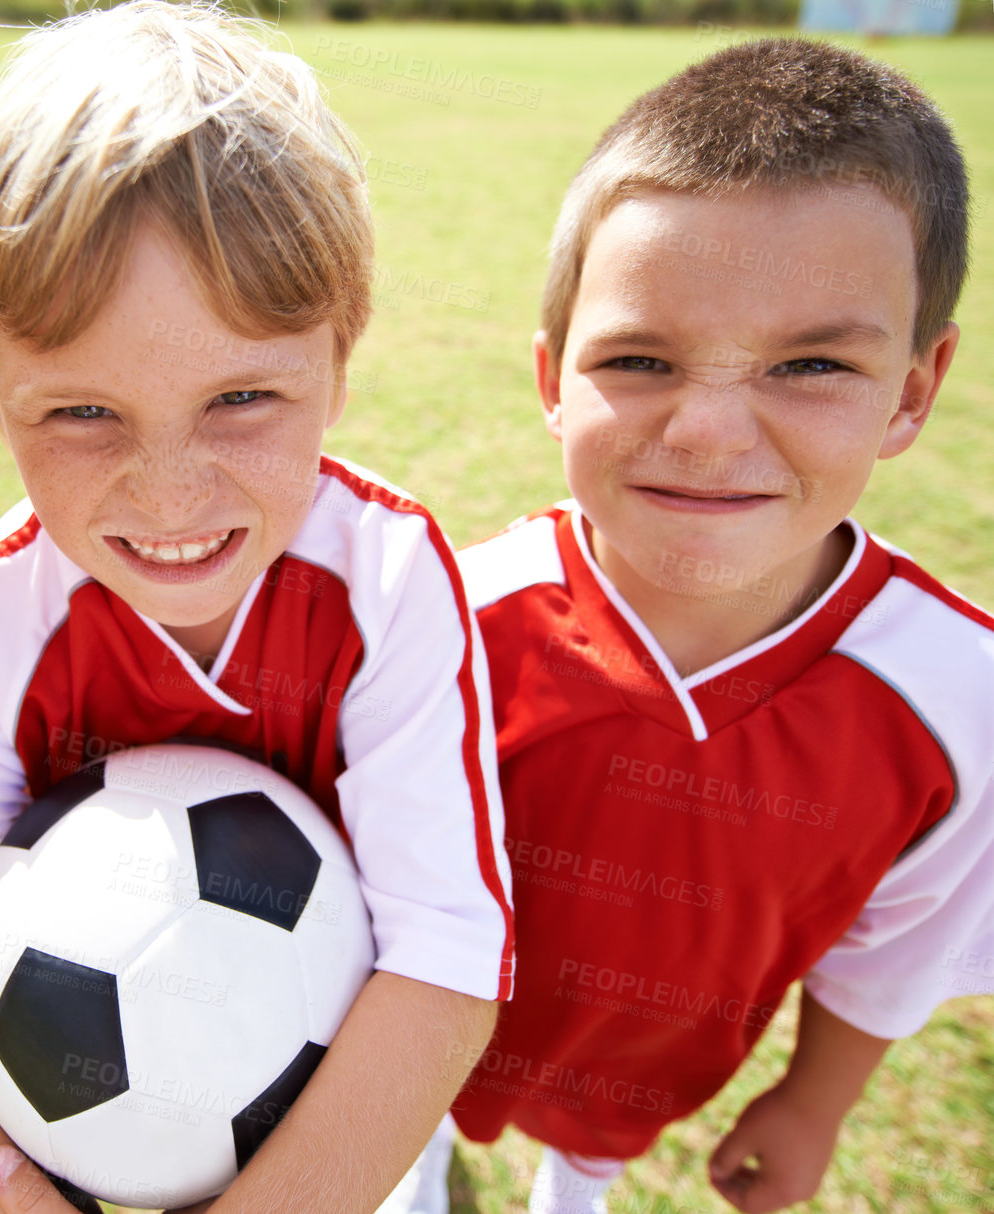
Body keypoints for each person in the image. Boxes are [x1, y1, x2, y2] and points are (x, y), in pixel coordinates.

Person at [0, 4, 515, 1211]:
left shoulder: (388, 584)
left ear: (341, 356)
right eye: (79, 413)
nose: (167, 490)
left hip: (356, 1151)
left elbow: (448, 954)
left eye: (243, 397)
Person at [383, 37, 994, 1214]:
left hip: (664, 1062)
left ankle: (580, 1184)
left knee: (598, 1140)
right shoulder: (450, 620)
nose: (709, 429)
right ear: (555, 376)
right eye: (641, 357)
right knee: (420, 1103)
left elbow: (899, 936)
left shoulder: (958, 693)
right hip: (432, 1026)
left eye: (810, 362)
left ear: (913, 389)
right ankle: (414, 1167)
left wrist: (812, 1099)